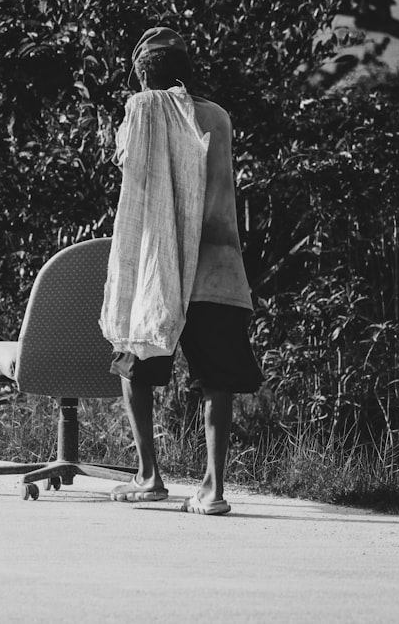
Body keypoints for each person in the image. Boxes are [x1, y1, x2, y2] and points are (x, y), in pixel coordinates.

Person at [105, 27, 263, 515]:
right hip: (217, 269)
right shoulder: (218, 116)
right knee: (218, 381)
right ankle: (212, 490)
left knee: (134, 364)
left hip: (161, 270)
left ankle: (150, 475)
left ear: (143, 77)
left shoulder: (143, 114)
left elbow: (132, 171)